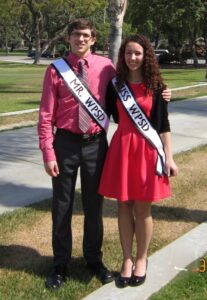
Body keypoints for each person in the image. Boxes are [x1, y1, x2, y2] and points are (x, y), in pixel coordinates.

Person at [38, 18, 172, 290]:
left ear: (93, 39)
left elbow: (127, 99)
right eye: (76, 35)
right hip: (64, 144)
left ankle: (93, 259)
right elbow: (44, 116)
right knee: (61, 207)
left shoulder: (107, 68)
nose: (81, 40)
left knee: (93, 207)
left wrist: (163, 93)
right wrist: (48, 152)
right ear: (70, 38)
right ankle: (60, 264)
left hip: (96, 145)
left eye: (86, 35)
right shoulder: (55, 70)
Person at [99, 34, 178, 288]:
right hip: (122, 149)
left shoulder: (156, 86)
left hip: (147, 151)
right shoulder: (115, 85)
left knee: (142, 209)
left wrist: (169, 157)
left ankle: (142, 259)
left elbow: (163, 125)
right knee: (123, 206)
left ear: (146, 56)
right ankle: (126, 260)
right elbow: (105, 114)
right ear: (123, 55)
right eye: (128, 53)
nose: (132, 58)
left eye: (138, 53)